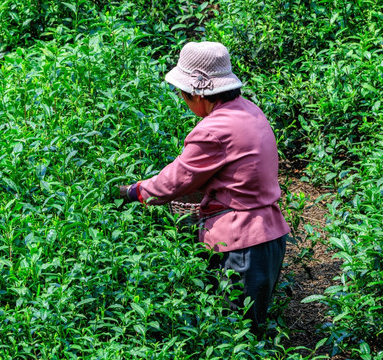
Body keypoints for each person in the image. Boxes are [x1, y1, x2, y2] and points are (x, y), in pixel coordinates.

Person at [117, 41, 290, 335]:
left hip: (242, 244)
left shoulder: (214, 129)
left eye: (182, 93)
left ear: (198, 92)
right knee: (251, 332)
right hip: (268, 237)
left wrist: (133, 192)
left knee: (235, 334)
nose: (182, 99)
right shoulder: (249, 111)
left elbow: (174, 181)